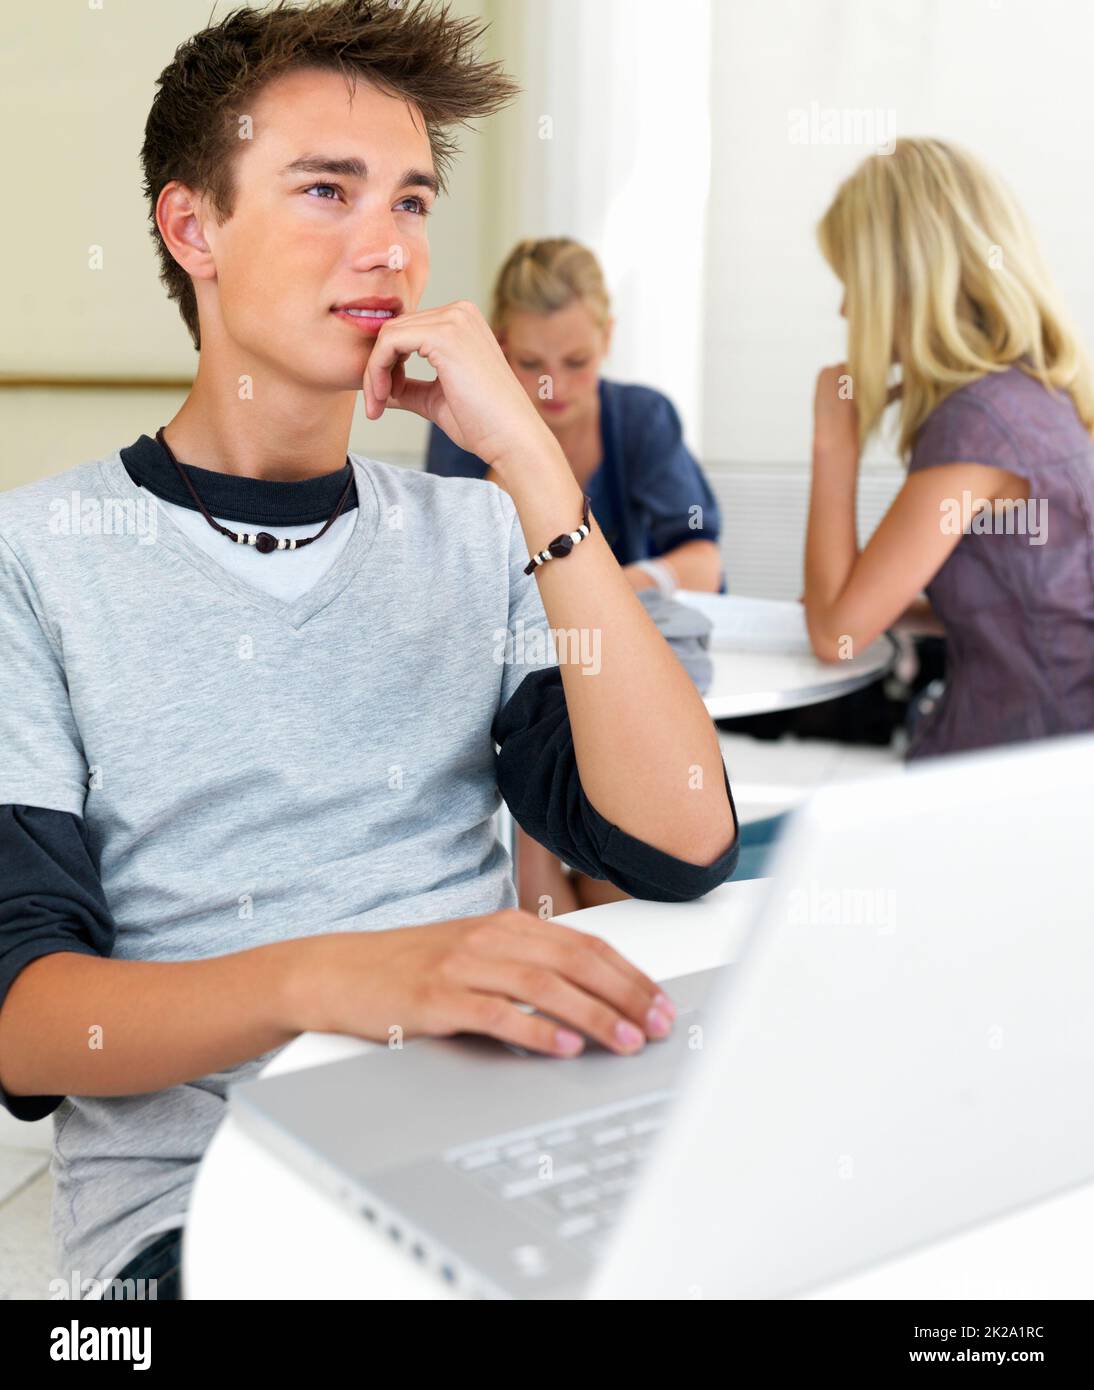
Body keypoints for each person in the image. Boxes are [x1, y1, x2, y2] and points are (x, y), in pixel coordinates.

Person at [0, 0, 738, 1301]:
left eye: (408, 200)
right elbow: (31, 1025)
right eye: (326, 191)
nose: (385, 247)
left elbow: (680, 841)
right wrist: (335, 976)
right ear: (193, 229)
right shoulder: (38, 556)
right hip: (206, 1209)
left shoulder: (475, 528)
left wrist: (527, 467)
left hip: (492, 1142)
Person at [426, 237, 726, 912]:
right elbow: (464, 578)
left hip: (631, 673)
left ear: (608, 339)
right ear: (498, 349)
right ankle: (542, 833)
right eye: (529, 363)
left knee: (627, 872)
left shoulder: (640, 419)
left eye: (576, 362)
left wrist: (594, 588)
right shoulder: (464, 430)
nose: (551, 388)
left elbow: (703, 560)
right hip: (526, 675)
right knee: (554, 851)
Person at [802, 137, 1094, 760]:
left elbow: (834, 635)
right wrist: (896, 605)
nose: (847, 308)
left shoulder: (976, 429)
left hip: (1018, 776)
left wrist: (833, 440)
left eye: (854, 282)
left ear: (904, 283)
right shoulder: (1039, 394)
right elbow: (1042, 605)